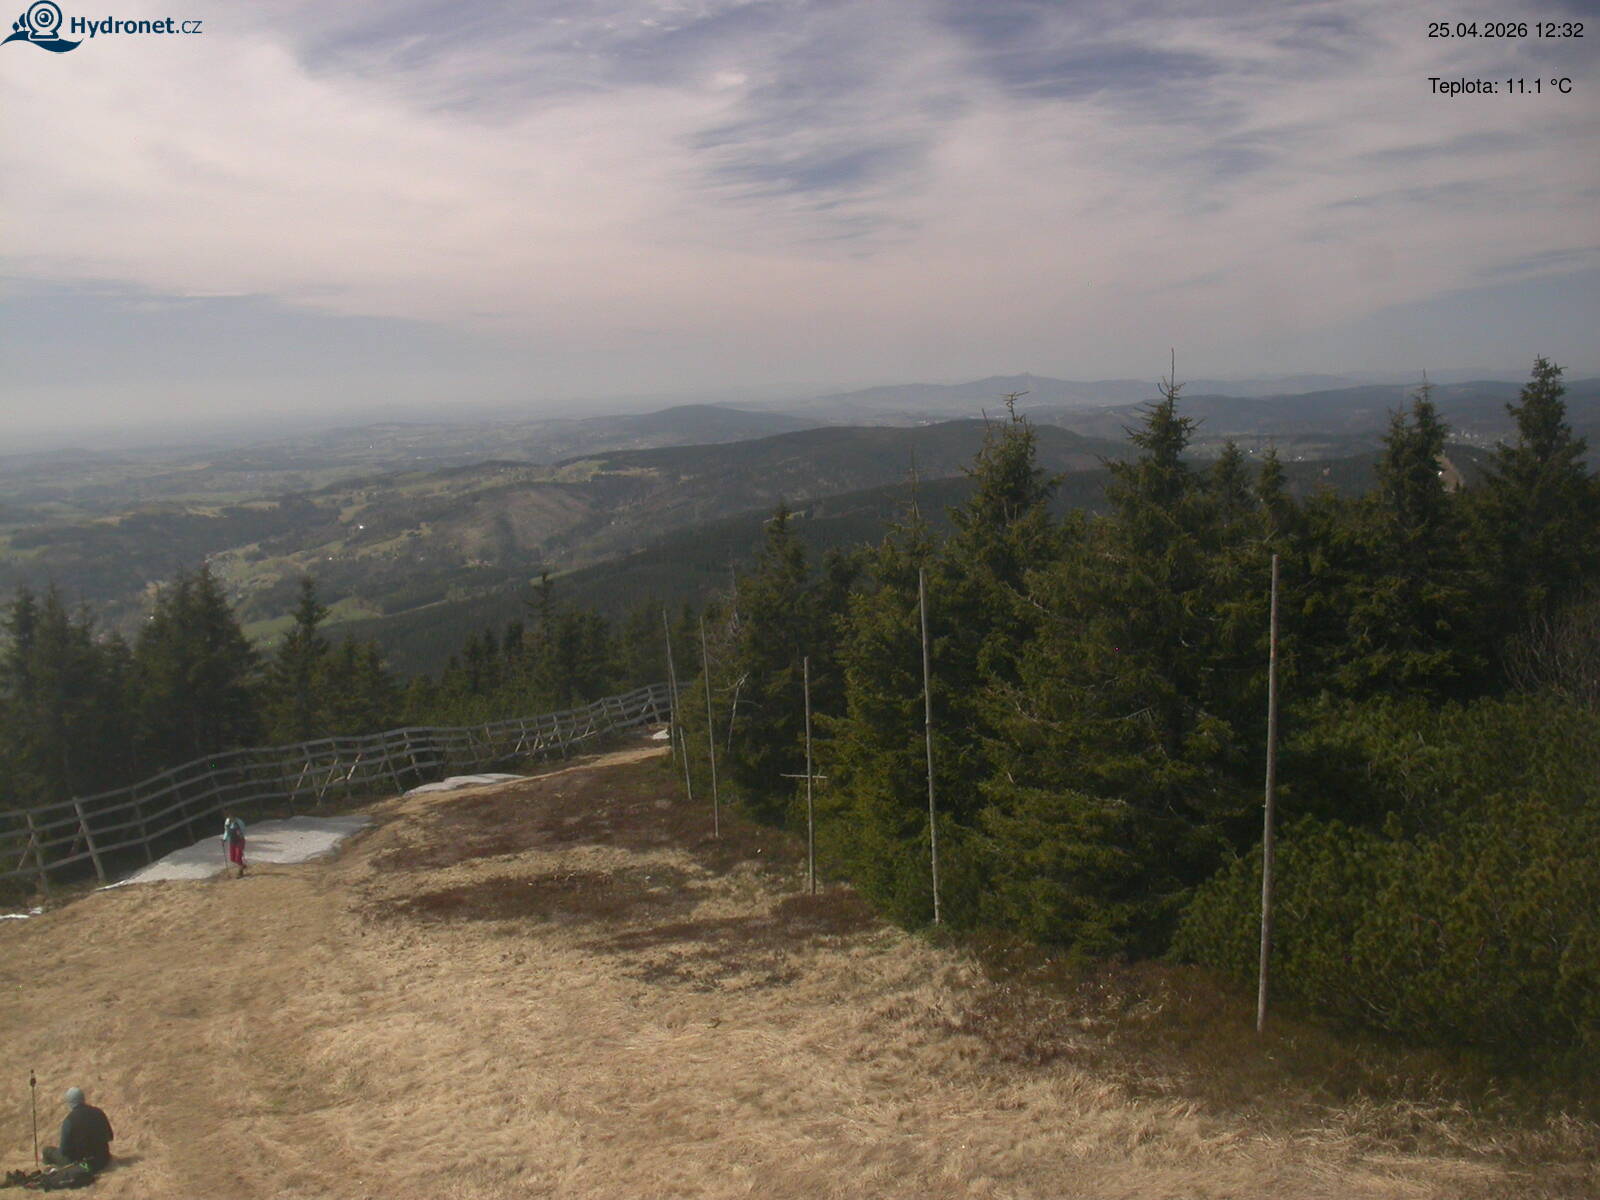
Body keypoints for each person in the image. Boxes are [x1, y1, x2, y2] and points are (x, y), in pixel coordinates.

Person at [42, 1087, 114, 1172]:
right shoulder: (99, 1112)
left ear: (69, 1102)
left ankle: (51, 1171)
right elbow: (110, 1137)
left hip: (84, 1165)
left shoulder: (69, 1121)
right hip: (103, 1161)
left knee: (47, 1151)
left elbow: (64, 1151)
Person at [222, 812, 247, 877]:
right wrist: (224, 838)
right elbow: (226, 831)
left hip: (240, 841)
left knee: (238, 857)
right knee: (232, 858)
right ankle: (241, 865)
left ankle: (240, 872)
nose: (230, 818)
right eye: (228, 816)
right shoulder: (227, 821)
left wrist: (240, 834)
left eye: (231, 816)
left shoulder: (239, 822)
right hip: (232, 841)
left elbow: (243, 830)